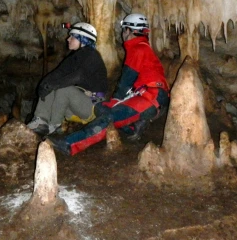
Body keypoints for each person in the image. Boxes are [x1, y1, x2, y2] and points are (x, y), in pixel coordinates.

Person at [46, 13, 170, 156]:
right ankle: (134, 127)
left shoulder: (138, 49)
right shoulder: (144, 48)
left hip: (150, 97)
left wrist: (116, 99)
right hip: (151, 96)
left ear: (129, 30)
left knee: (109, 115)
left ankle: (70, 143)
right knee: (102, 108)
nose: (123, 34)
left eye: (124, 30)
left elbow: (126, 80)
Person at [27, 22, 108, 136]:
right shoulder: (74, 57)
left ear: (83, 39)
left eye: (72, 37)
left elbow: (78, 76)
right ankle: (40, 121)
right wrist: (44, 84)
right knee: (50, 85)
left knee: (63, 89)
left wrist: (53, 85)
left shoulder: (92, 55)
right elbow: (58, 73)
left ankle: (55, 125)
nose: (68, 39)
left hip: (93, 106)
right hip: (76, 105)